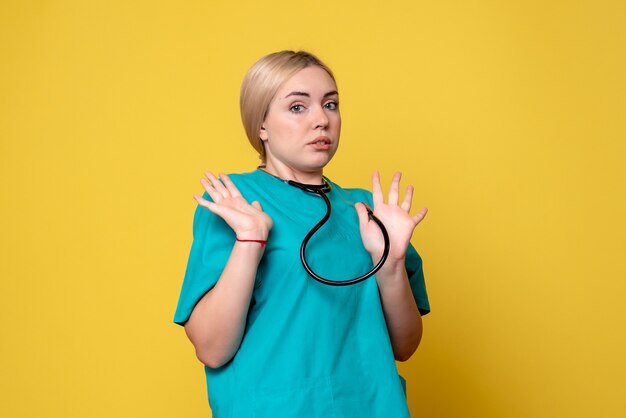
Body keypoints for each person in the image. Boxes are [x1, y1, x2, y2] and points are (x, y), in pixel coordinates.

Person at [173, 50, 430, 417]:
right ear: (261, 124)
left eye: (331, 104)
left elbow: (404, 345)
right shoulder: (235, 202)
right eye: (298, 107)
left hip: (371, 406)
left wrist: (390, 262)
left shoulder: (368, 211)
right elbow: (212, 349)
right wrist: (249, 241)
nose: (322, 120)